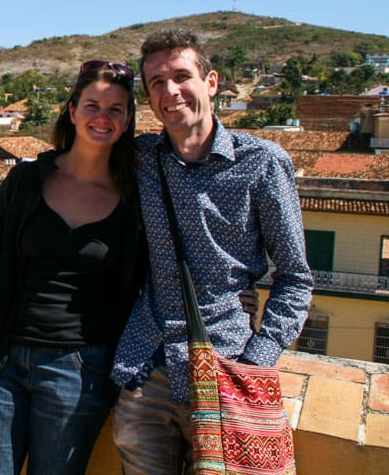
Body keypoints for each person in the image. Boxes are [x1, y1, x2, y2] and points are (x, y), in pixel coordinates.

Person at [110, 29, 314, 474]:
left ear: (212, 82)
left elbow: (295, 278)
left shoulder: (262, 163)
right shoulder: (141, 157)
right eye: (157, 83)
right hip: (149, 366)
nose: (170, 91)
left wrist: (257, 357)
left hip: (227, 364)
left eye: (181, 76)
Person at [0, 60, 146, 475]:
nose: (102, 117)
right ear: (72, 110)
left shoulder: (134, 198)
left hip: (80, 370)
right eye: (92, 105)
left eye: (116, 109)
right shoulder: (25, 180)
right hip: (1, 362)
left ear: (128, 120)